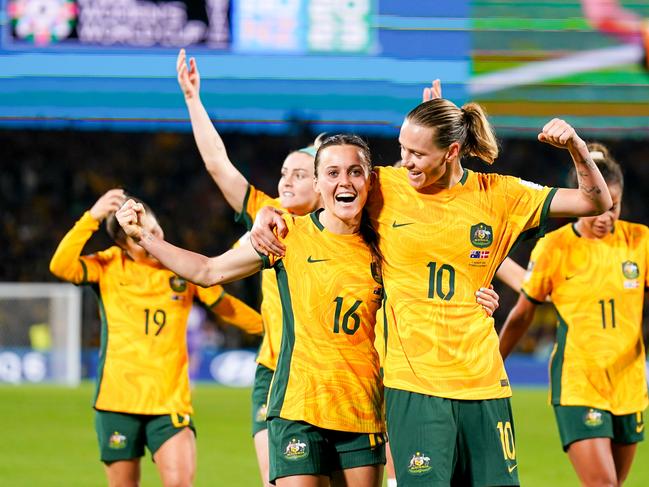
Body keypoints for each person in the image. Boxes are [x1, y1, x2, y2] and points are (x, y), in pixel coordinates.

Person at [250, 99, 612, 485]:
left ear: (452, 152)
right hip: (414, 388)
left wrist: (575, 147)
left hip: (484, 385)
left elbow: (595, 201)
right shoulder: (384, 186)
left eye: (417, 153)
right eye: (402, 148)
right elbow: (327, 191)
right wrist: (267, 214)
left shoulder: (501, 195)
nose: (404, 161)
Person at [49, 189, 263, 487]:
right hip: (118, 401)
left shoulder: (182, 267)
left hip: (169, 402)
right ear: (124, 244)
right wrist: (92, 217)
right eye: (140, 235)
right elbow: (60, 265)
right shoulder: (109, 265)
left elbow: (227, 307)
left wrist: (270, 328)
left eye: (154, 228)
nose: (152, 237)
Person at [176, 48, 322, 486]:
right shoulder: (269, 215)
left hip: (333, 371)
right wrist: (192, 100)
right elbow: (217, 164)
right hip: (274, 370)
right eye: (284, 172)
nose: (287, 180)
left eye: (300, 173)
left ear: (324, 181)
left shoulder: (351, 231)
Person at [499, 143, 647, 487]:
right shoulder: (555, 247)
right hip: (578, 385)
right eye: (599, 207)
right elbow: (523, 313)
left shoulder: (639, 241)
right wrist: (494, 363)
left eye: (615, 206)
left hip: (629, 385)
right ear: (583, 199)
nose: (606, 217)